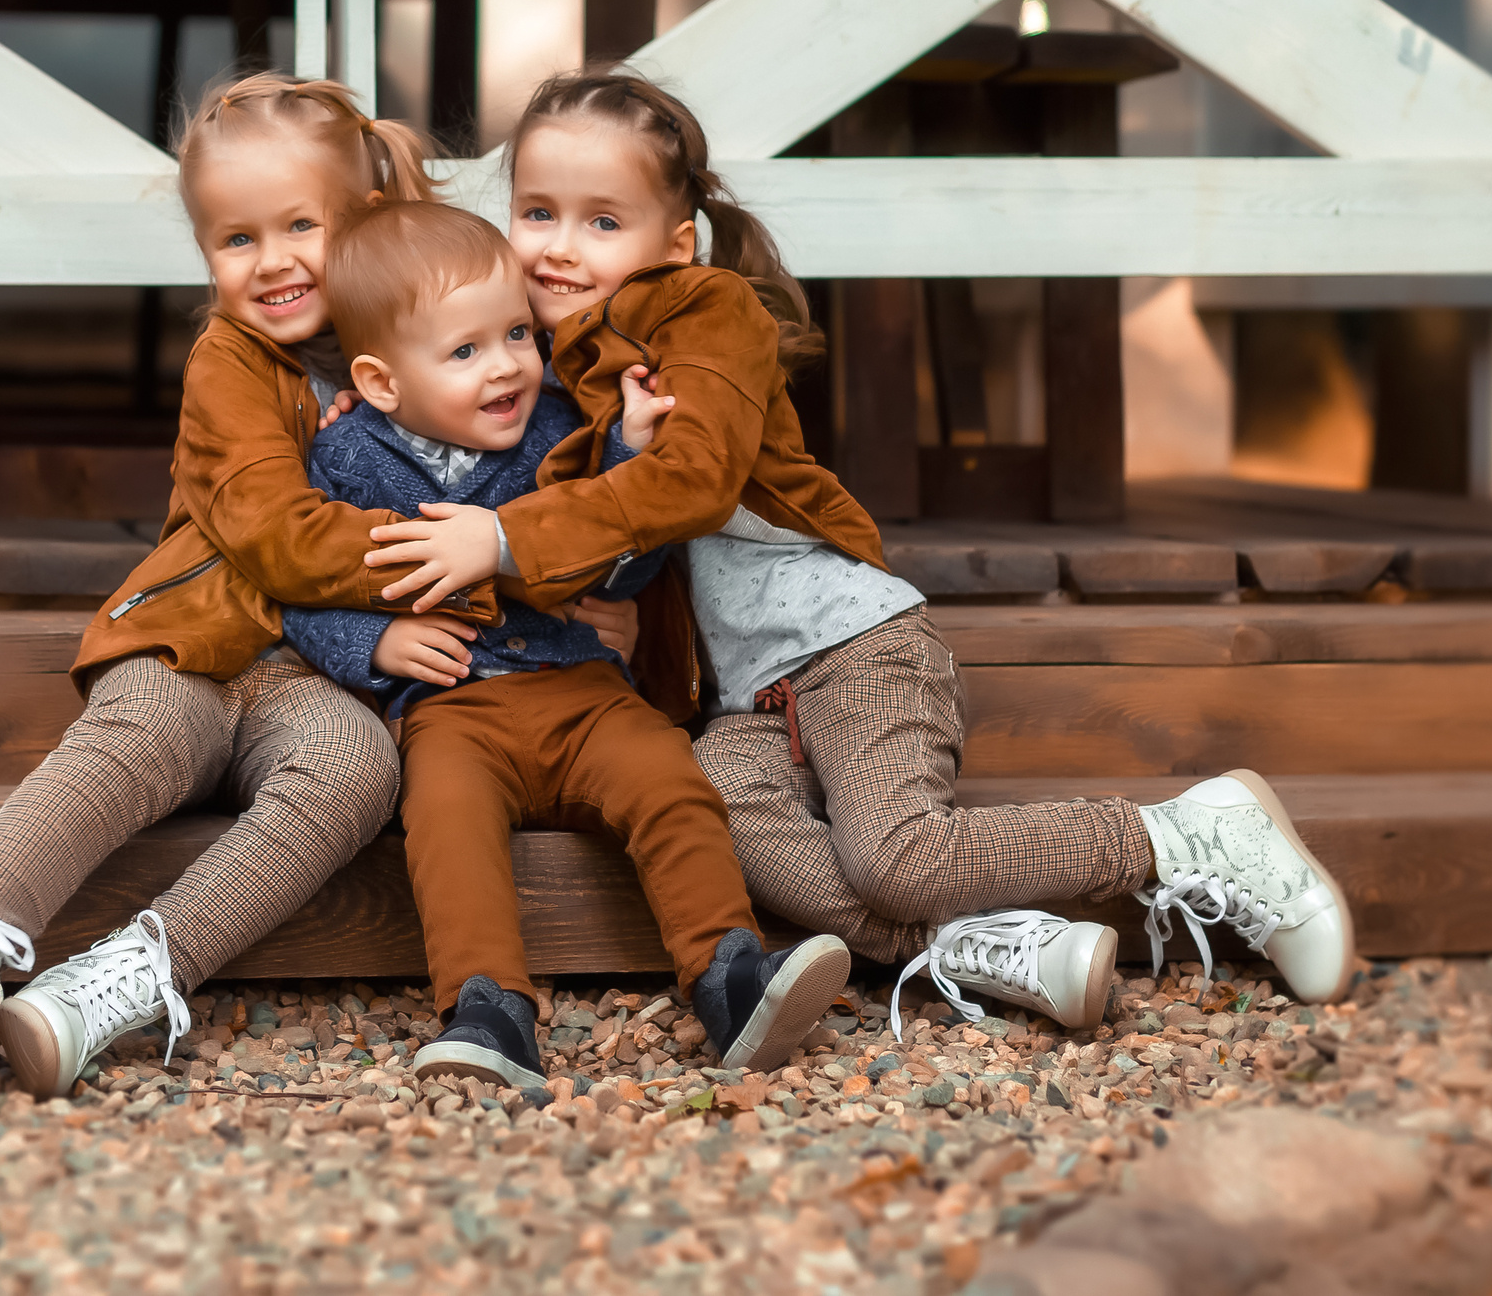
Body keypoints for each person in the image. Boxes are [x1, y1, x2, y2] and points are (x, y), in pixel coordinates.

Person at [359, 70, 1354, 1033]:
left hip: (845, 644)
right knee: (724, 822)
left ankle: (1182, 832)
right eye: (536, 212)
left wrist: (502, 538)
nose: (558, 247)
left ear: (677, 238)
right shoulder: (537, 358)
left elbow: (693, 478)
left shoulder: (707, 311)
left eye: (601, 221)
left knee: (894, 857)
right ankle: (980, 942)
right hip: (741, 701)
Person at [0, 74, 517, 1093]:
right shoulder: (229, 362)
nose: (272, 260)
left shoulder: (430, 344)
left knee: (355, 771)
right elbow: (276, 537)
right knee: (134, 737)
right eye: (236, 239)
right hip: (195, 641)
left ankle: (108, 987)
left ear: (366, 217)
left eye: (300, 225)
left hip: (317, 679)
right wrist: (434, 556)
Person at [280, 199, 853, 1091]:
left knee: (670, 779)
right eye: (465, 351)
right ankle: (486, 1004)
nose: (506, 364)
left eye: (516, 332)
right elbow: (305, 587)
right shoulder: (348, 457)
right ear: (382, 381)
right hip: (455, 707)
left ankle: (728, 972)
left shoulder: (558, 427)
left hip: (583, 687)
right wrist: (375, 640)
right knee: (445, 818)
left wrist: (625, 453)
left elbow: (618, 569)